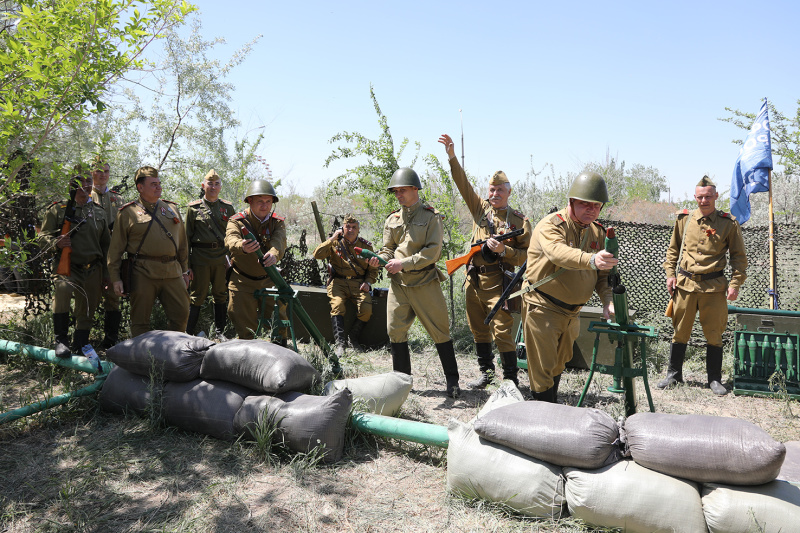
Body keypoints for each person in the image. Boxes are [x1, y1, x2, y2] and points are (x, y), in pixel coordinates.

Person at [439, 134, 532, 388]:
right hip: (473, 278)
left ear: (509, 192)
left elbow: (529, 257)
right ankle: (487, 375)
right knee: (478, 327)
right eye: (491, 190)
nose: (495, 193)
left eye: (500, 190)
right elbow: (463, 185)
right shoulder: (480, 210)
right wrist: (452, 158)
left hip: (498, 281)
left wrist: (505, 251)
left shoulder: (519, 222)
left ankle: (510, 380)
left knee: (502, 330)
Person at [521, 172, 617, 402]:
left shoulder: (598, 232)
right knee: (542, 367)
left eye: (596, 205)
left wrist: (608, 301)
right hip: (543, 306)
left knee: (559, 362)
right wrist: (592, 259)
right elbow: (558, 253)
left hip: (573, 312)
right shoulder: (551, 225)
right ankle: (543, 414)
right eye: (584, 203)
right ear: (571, 201)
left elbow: (603, 277)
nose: (591, 210)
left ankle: (549, 407)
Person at [366, 168, 461, 398]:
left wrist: (404, 263)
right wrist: (381, 259)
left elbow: (433, 252)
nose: (398, 195)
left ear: (415, 189)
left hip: (425, 282)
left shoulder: (430, 216)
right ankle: (401, 382)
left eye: (403, 190)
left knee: (440, 331)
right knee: (394, 330)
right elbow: (388, 248)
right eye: (396, 191)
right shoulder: (392, 219)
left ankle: (453, 381)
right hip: (399, 284)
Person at [658, 176, 747, 396]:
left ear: (716, 196)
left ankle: (714, 379)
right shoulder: (684, 220)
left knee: (714, 334)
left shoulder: (728, 223)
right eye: (700, 196)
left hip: (714, 288)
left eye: (708, 196)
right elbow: (673, 251)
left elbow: (739, 257)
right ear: (695, 197)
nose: (704, 200)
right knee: (679, 332)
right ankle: (674, 375)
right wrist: (670, 274)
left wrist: (735, 283)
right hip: (685, 285)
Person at [107, 166, 190, 338]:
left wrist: (185, 270)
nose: (158, 187)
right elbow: (115, 250)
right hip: (142, 272)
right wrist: (116, 279)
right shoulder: (127, 213)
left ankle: (172, 353)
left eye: (159, 183)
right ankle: (142, 359)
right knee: (140, 321)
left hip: (173, 272)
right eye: (153, 184)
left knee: (181, 315)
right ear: (140, 187)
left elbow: (182, 243)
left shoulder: (171, 209)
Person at [40, 166, 111, 357]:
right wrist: (56, 243)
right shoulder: (58, 209)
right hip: (68, 267)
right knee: (62, 291)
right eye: (79, 182)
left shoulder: (99, 211)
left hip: (93, 268)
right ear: (71, 185)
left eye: (88, 181)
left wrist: (106, 274)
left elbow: (106, 246)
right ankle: (61, 340)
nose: (85, 185)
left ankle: (81, 342)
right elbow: (42, 238)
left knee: (88, 305)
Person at [225, 179, 287, 340]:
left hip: (269, 279)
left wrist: (273, 254)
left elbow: (279, 242)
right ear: (250, 201)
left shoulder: (277, 222)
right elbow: (230, 240)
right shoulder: (236, 221)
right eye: (260, 201)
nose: (265, 206)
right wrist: (242, 246)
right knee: (245, 329)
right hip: (242, 280)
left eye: (268, 202)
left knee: (278, 324)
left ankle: (280, 355)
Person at [312, 214, 380, 354]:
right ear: (342, 228)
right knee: (337, 305)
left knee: (366, 310)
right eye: (347, 227)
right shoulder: (335, 243)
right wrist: (332, 239)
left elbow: (373, 270)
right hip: (338, 282)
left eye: (354, 227)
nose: (350, 230)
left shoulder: (365, 246)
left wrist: (368, 282)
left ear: (358, 229)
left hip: (358, 283)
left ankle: (353, 338)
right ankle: (340, 344)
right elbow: (317, 254)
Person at [185, 169, 235, 337]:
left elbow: (233, 235)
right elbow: (186, 239)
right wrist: (187, 266)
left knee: (221, 294)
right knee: (197, 296)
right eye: (210, 184)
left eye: (216, 184)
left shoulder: (228, 208)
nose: (213, 187)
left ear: (220, 187)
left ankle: (220, 332)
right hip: (200, 259)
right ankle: (188, 332)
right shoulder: (193, 209)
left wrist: (232, 258)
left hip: (221, 258)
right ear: (203, 185)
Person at [90, 157, 125, 349]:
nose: (103, 175)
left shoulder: (117, 198)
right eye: (98, 171)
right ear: (91, 173)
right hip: (92, 254)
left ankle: (110, 341)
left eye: (106, 171)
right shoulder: (86, 195)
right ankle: (83, 339)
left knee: (113, 297)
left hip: (113, 255)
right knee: (90, 296)